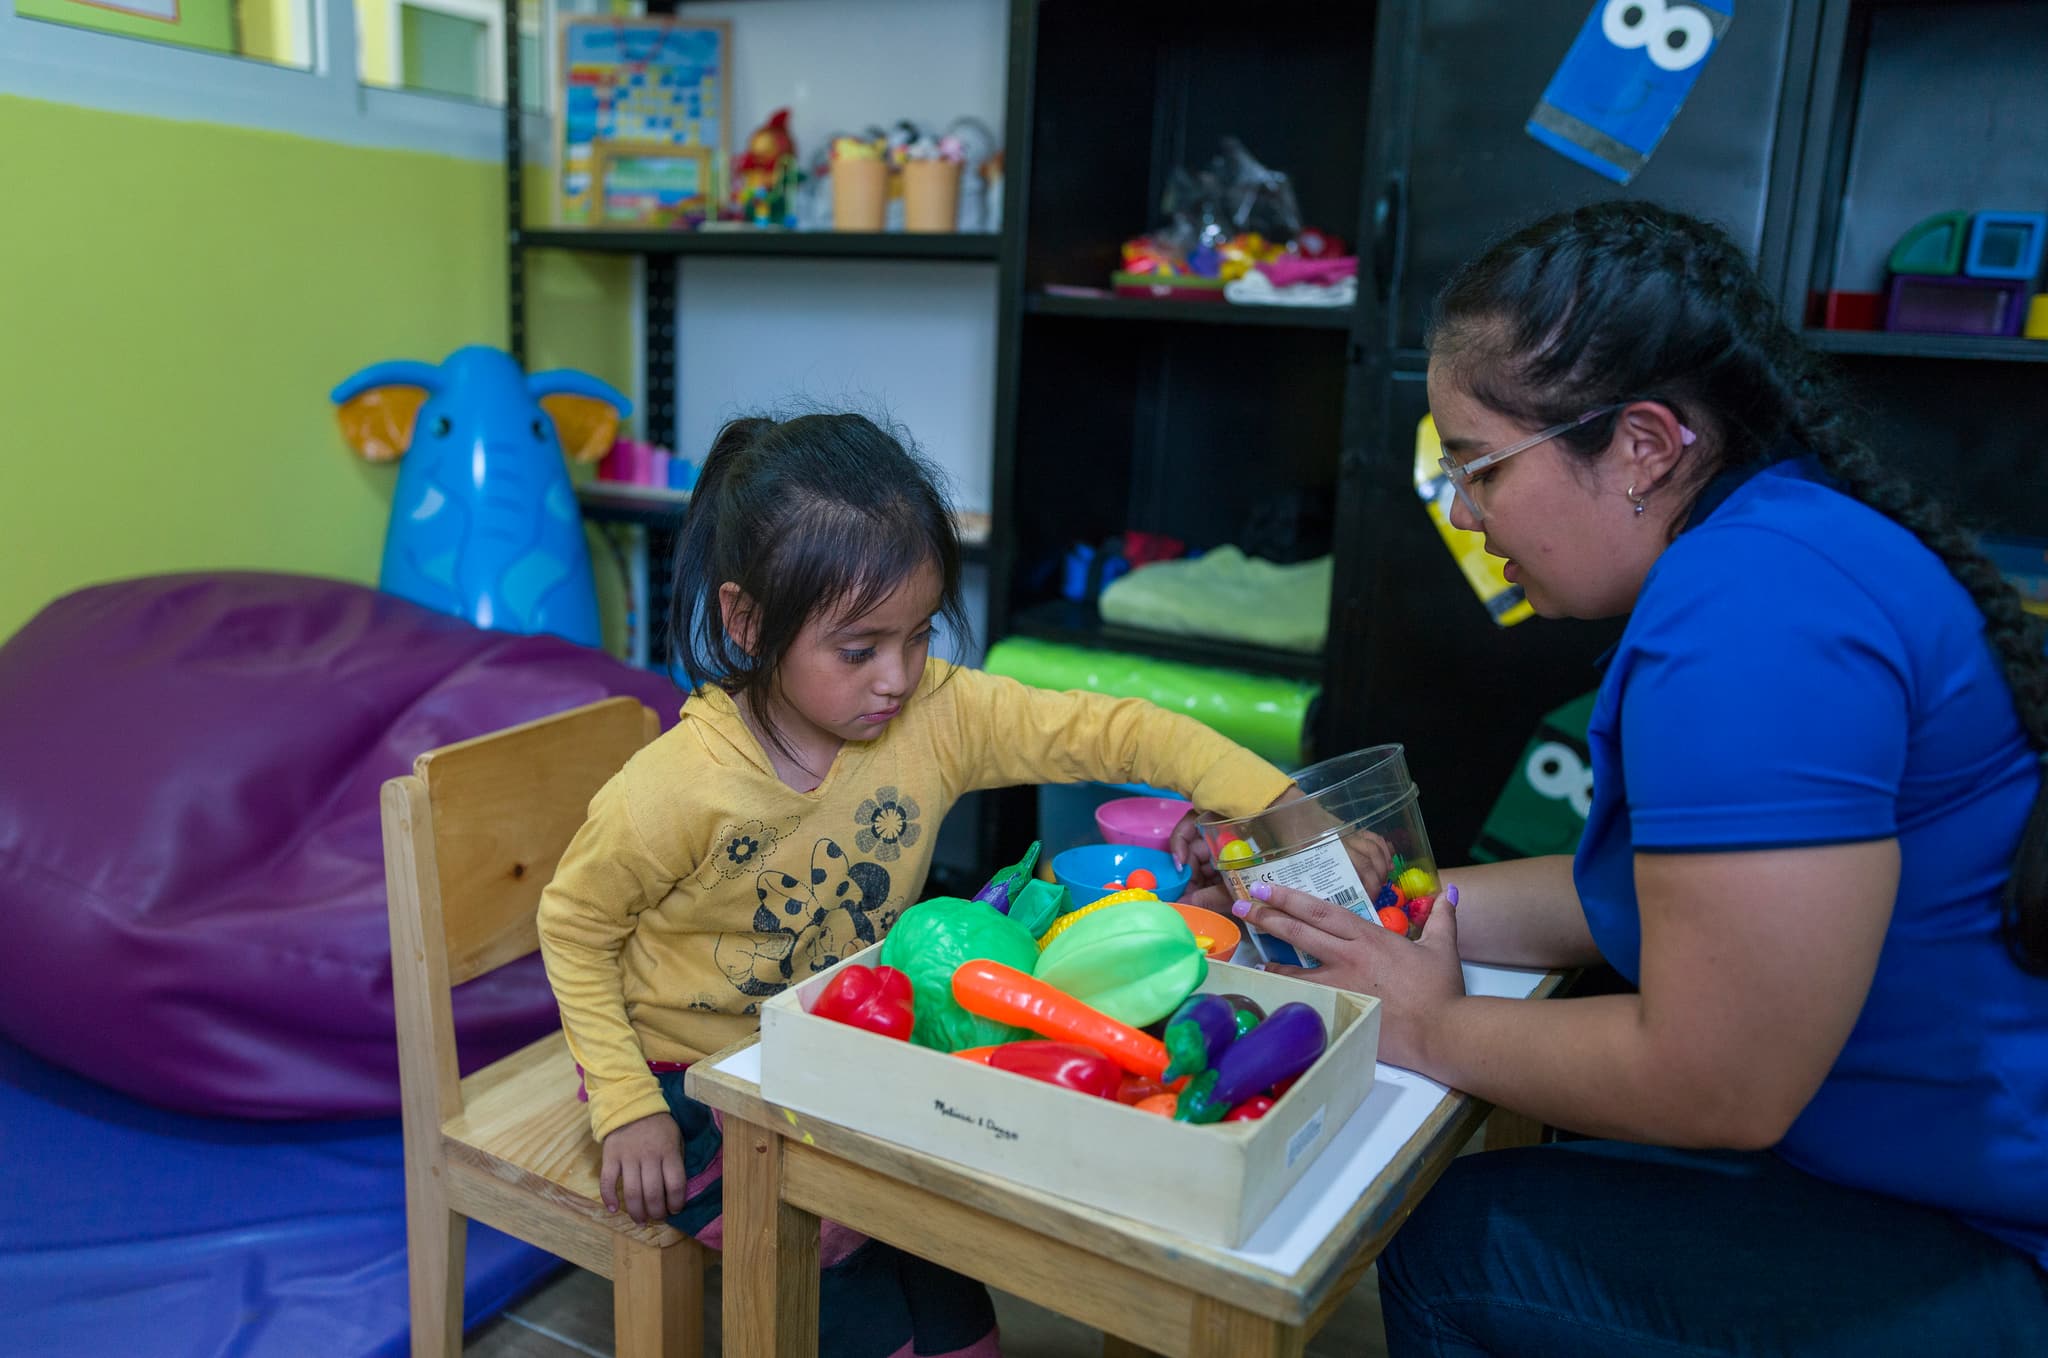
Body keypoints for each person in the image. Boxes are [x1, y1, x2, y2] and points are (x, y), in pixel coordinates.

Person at [1225, 202, 2048, 1354]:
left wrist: (1432, 1025)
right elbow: (1659, 894)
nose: (1463, 514)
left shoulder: (1747, 621)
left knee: (1464, 1240)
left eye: (1478, 469)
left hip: (1990, 1231)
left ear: (1644, 447)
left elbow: (1718, 1083)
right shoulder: (1775, 543)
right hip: (1926, 1158)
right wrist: (1373, 909)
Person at [537, 412, 1294, 1358]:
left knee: (933, 1214)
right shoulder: (675, 788)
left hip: (840, 1043)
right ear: (747, 621)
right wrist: (625, 1103)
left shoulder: (936, 713)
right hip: (689, 1072)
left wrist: (1278, 804)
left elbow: (1122, 731)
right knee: (840, 1231)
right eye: (858, 650)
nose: (897, 678)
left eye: (919, 635)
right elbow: (572, 926)